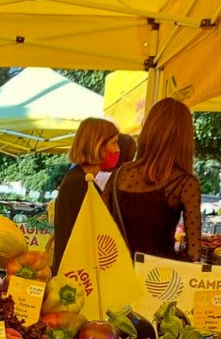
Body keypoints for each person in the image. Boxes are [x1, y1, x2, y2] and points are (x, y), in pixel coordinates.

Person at [103, 98, 201, 262]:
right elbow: (193, 252)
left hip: (115, 273)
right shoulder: (184, 183)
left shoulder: (119, 174)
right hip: (159, 279)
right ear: (184, 138)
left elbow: (100, 225)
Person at [52, 118, 121, 272]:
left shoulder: (80, 178)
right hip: (77, 275)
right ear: (97, 144)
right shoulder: (79, 182)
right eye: (114, 143)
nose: (117, 149)